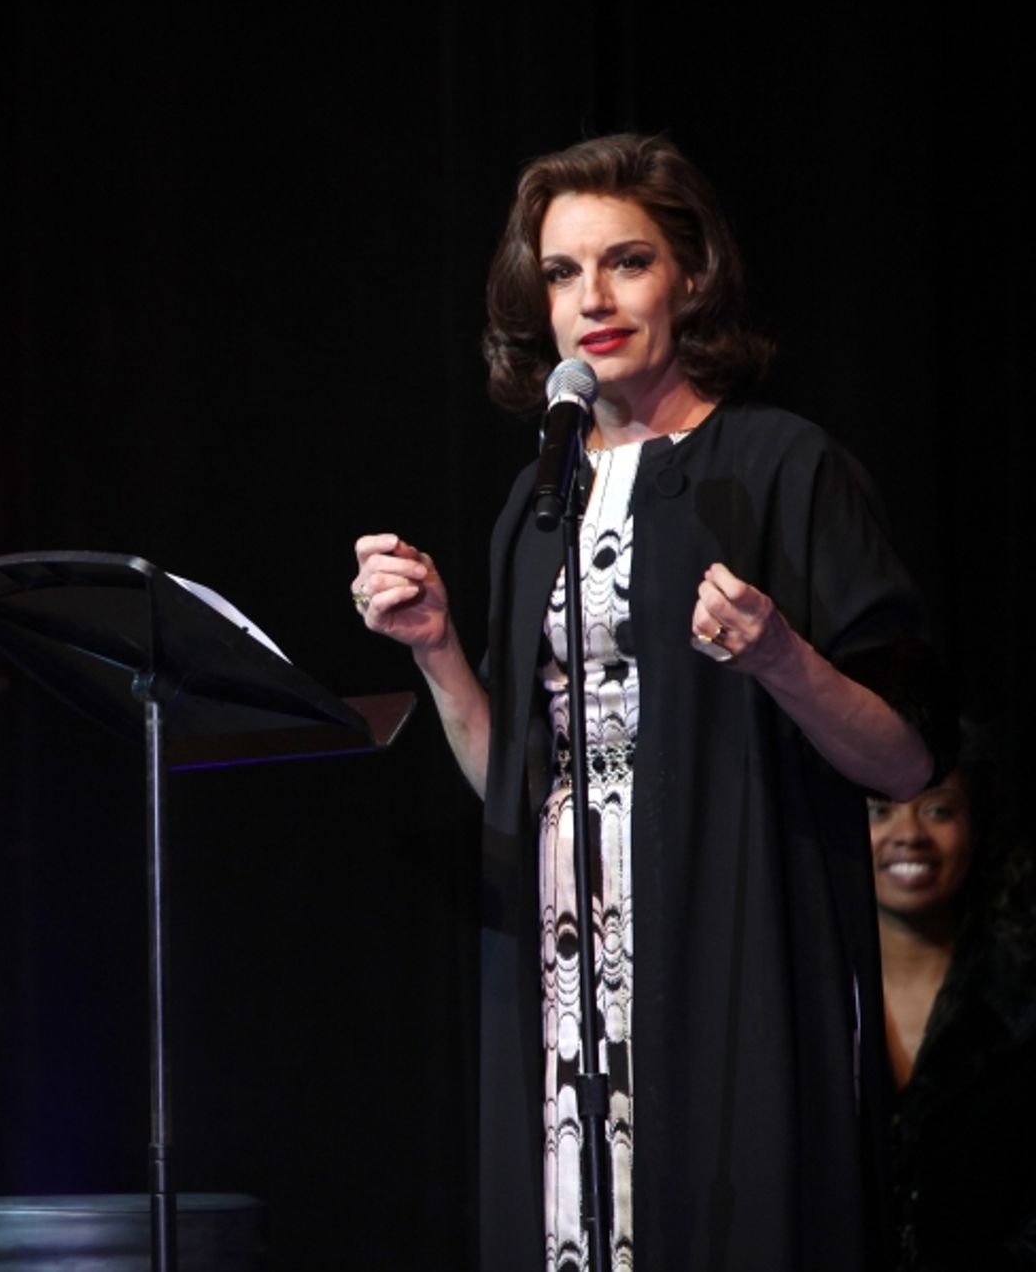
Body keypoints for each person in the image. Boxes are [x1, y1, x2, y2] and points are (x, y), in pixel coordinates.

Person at [351, 133, 952, 1272]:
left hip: (732, 927)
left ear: (690, 275)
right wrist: (435, 648)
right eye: (564, 274)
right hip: (564, 950)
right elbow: (511, 790)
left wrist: (781, 656)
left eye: (626, 262)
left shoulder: (784, 465)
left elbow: (907, 755)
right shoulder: (535, 507)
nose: (594, 299)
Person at [871, 744, 1036, 1269]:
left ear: (976, 825)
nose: (910, 832)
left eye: (938, 809)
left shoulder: (1022, 1000)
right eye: (879, 810)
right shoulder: (798, 1005)